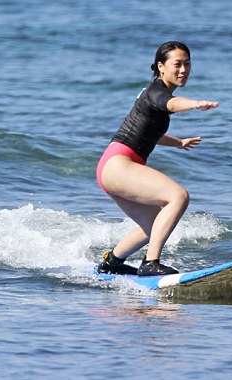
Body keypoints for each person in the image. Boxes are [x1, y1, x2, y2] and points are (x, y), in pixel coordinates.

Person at [96, 41, 218, 276]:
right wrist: (194, 104)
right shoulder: (157, 92)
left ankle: (112, 262)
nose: (183, 70)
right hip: (119, 163)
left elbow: (151, 133)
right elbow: (170, 104)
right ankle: (151, 263)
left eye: (187, 64)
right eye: (177, 64)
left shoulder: (153, 91)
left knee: (155, 225)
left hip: (111, 166)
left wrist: (178, 142)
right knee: (178, 196)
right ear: (161, 67)